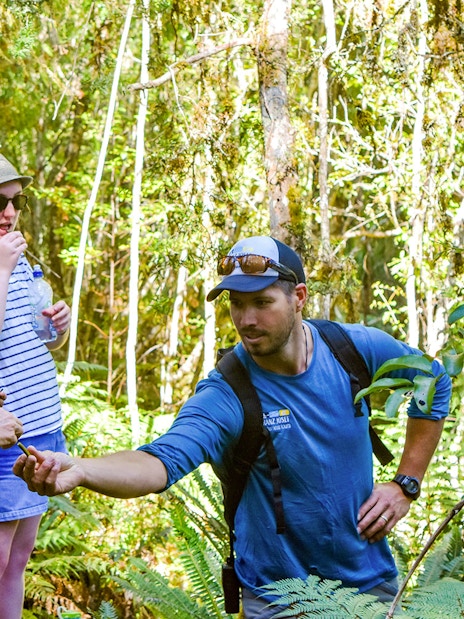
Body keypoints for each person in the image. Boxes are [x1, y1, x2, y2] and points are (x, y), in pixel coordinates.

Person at [14, 235, 451, 618]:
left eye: (262, 302)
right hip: (279, 600)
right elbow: (159, 463)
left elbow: (434, 379)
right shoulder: (228, 393)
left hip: (369, 587)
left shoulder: (352, 349)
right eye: (236, 304)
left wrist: (405, 483)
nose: (246, 320)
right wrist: (83, 470)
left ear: (298, 297)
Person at [0, 154, 71, 619]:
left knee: (18, 560)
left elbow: (35, 336)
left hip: (41, 426)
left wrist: (57, 324)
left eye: (16, 202)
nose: (8, 213)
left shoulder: (23, 261)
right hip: (3, 437)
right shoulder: (7, 261)